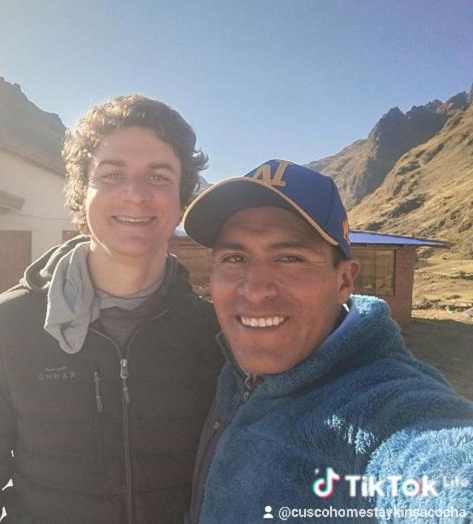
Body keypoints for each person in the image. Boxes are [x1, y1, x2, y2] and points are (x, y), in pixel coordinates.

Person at [0, 95, 223, 523]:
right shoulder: (8, 326)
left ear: (182, 199)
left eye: (158, 176)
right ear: (81, 192)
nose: (135, 194)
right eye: (112, 174)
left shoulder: (213, 335)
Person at [182, 159, 473, 523]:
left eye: (290, 258)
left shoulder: (380, 405)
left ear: (344, 281)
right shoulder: (233, 370)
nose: (255, 290)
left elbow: (439, 461)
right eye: (235, 258)